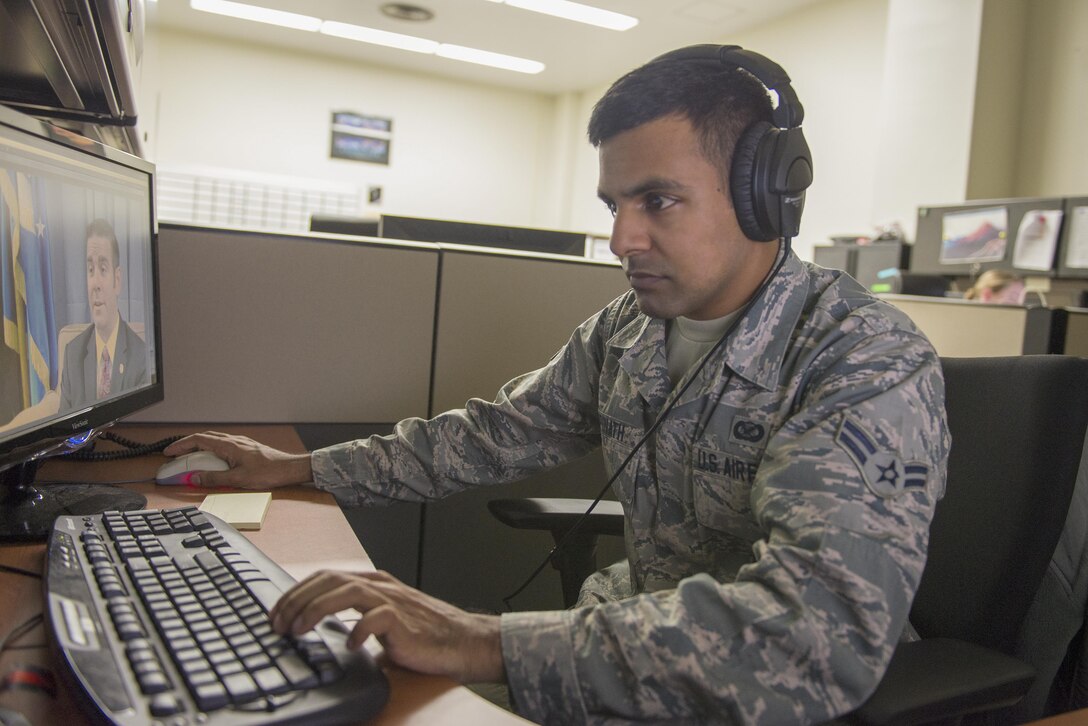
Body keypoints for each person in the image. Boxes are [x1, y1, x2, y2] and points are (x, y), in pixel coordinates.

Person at [165, 45, 950, 724]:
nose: (621, 238)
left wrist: (479, 639)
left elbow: (817, 632)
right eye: (615, 205)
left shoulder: (862, 357)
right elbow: (490, 437)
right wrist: (299, 468)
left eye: (657, 201)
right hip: (618, 638)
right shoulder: (627, 330)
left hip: (761, 695)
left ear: (764, 196)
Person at [59, 218, 148, 411]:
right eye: (90, 270)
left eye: (103, 269)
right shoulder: (72, 354)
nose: (95, 284)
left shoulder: (141, 358)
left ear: (117, 280)